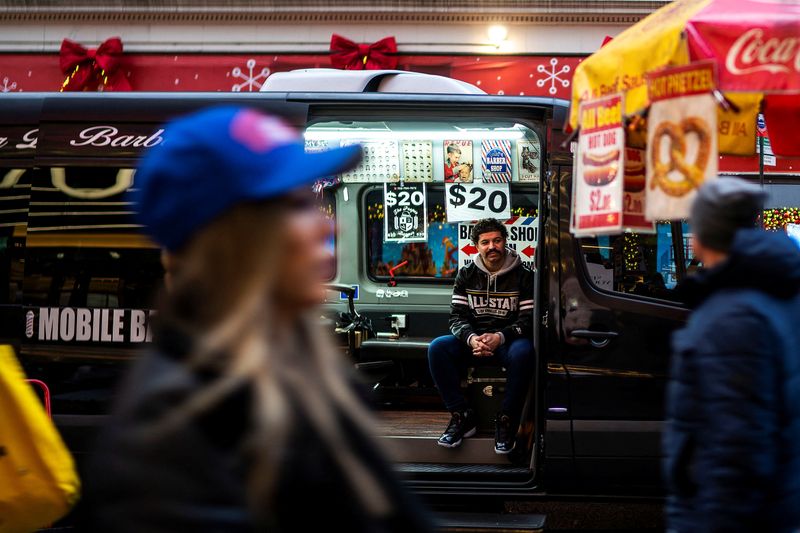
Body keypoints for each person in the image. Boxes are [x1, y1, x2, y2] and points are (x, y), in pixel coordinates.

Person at [82, 106, 433, 532]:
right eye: (300, 204)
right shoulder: (171, 425)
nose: (330, 229)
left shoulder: (308, 375)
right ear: (237, 240)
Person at [665, 178, 800, 533]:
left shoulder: (732, 316)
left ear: (704, 234)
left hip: (735, 516)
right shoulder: (774, 289)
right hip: (776, 502)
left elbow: (736, 450)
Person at [427, 218, 534, 454]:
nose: (491, 246)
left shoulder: (524, 275)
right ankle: (462, 415)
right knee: (437, 348)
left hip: (508, 342)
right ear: (477, 246)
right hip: (475, 343)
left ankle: (506, 420)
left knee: (526, 351)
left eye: (497, 240)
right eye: (485, 242)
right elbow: (456, 318)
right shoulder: (466, 274)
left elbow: (528, 320)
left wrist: (500, 337)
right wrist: (472, 339)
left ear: (505, 242)